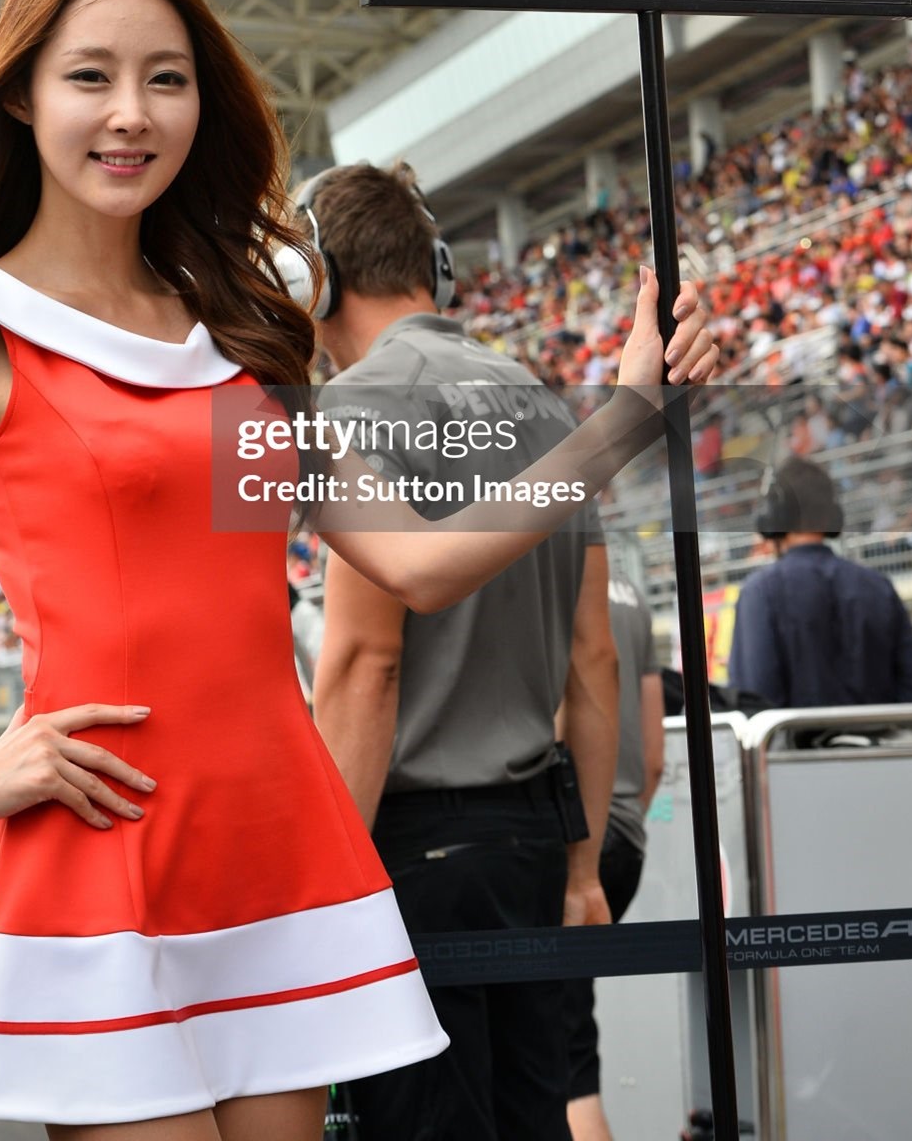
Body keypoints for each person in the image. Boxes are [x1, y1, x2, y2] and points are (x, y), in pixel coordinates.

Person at [0, 0, 716, 1140]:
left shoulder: (240, 333)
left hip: (275, 841)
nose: (131, 113)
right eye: (91, 75)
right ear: (22, 95)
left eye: (165, 77)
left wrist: (626, 419)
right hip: (104, 840)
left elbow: (415, 562)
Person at [307, 162, 619, 1141]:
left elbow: (366, 664)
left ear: (316, 277)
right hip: (532, 838)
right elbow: (593, 657)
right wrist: (581, 864)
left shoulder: (352, 409)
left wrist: (327, 883)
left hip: (410, 848)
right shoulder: (543, 401)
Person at [564, 554, 664, 1141]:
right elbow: (653, 757)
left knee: (562, 1063)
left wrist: (579, 850)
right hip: (625, 832)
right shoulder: (628, 587)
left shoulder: (537, 558)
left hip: (567, 839)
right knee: (569, 1040)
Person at [727, 457, 912, 708]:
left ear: (774, 517)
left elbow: (753, 703)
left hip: (795, 748)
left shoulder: (759, 593)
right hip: (881, 746)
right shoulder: (879, 587)